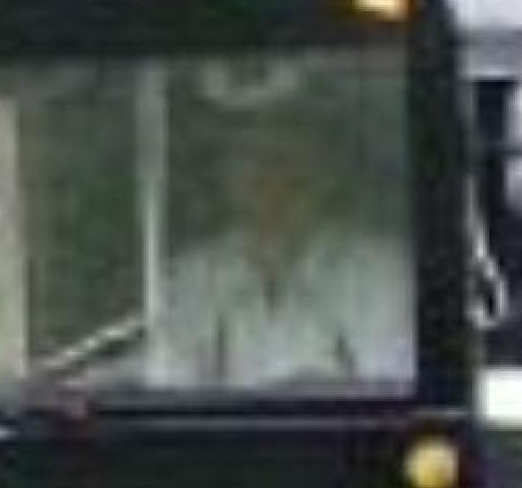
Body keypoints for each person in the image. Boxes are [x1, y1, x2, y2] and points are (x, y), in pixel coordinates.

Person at [153, 100, 413, 390]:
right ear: (224, 177)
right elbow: (169, 385)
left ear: (326, 172)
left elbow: (390, 393)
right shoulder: (192, 277)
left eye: (287, 158)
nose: (268, 178)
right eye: (248, 158)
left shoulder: (381, 272)